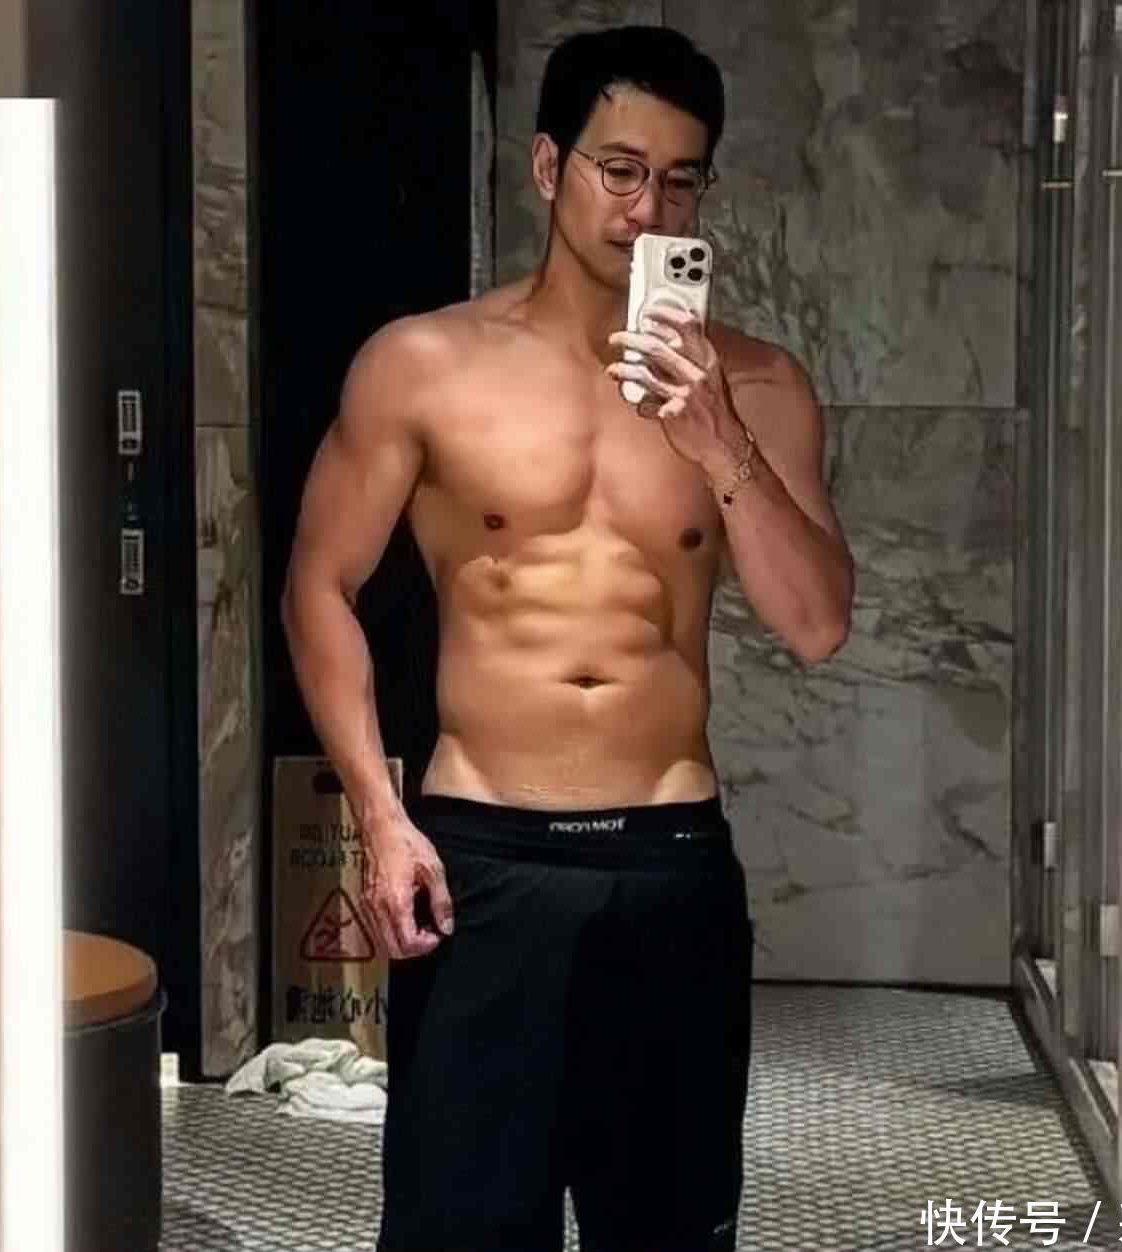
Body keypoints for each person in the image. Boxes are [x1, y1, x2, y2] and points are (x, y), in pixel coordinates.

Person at [280, 24, 853, 1252]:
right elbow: (318, 586)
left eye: (681, 180)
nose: (649, 211)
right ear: (550, 167)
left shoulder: (757, 388)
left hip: (669, 860)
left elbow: (816, 624)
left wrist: (718, 443)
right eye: (620, 170)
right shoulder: (424, 365)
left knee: (668, 1228)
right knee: (462, 1230)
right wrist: (379, 816)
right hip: (481, 858)